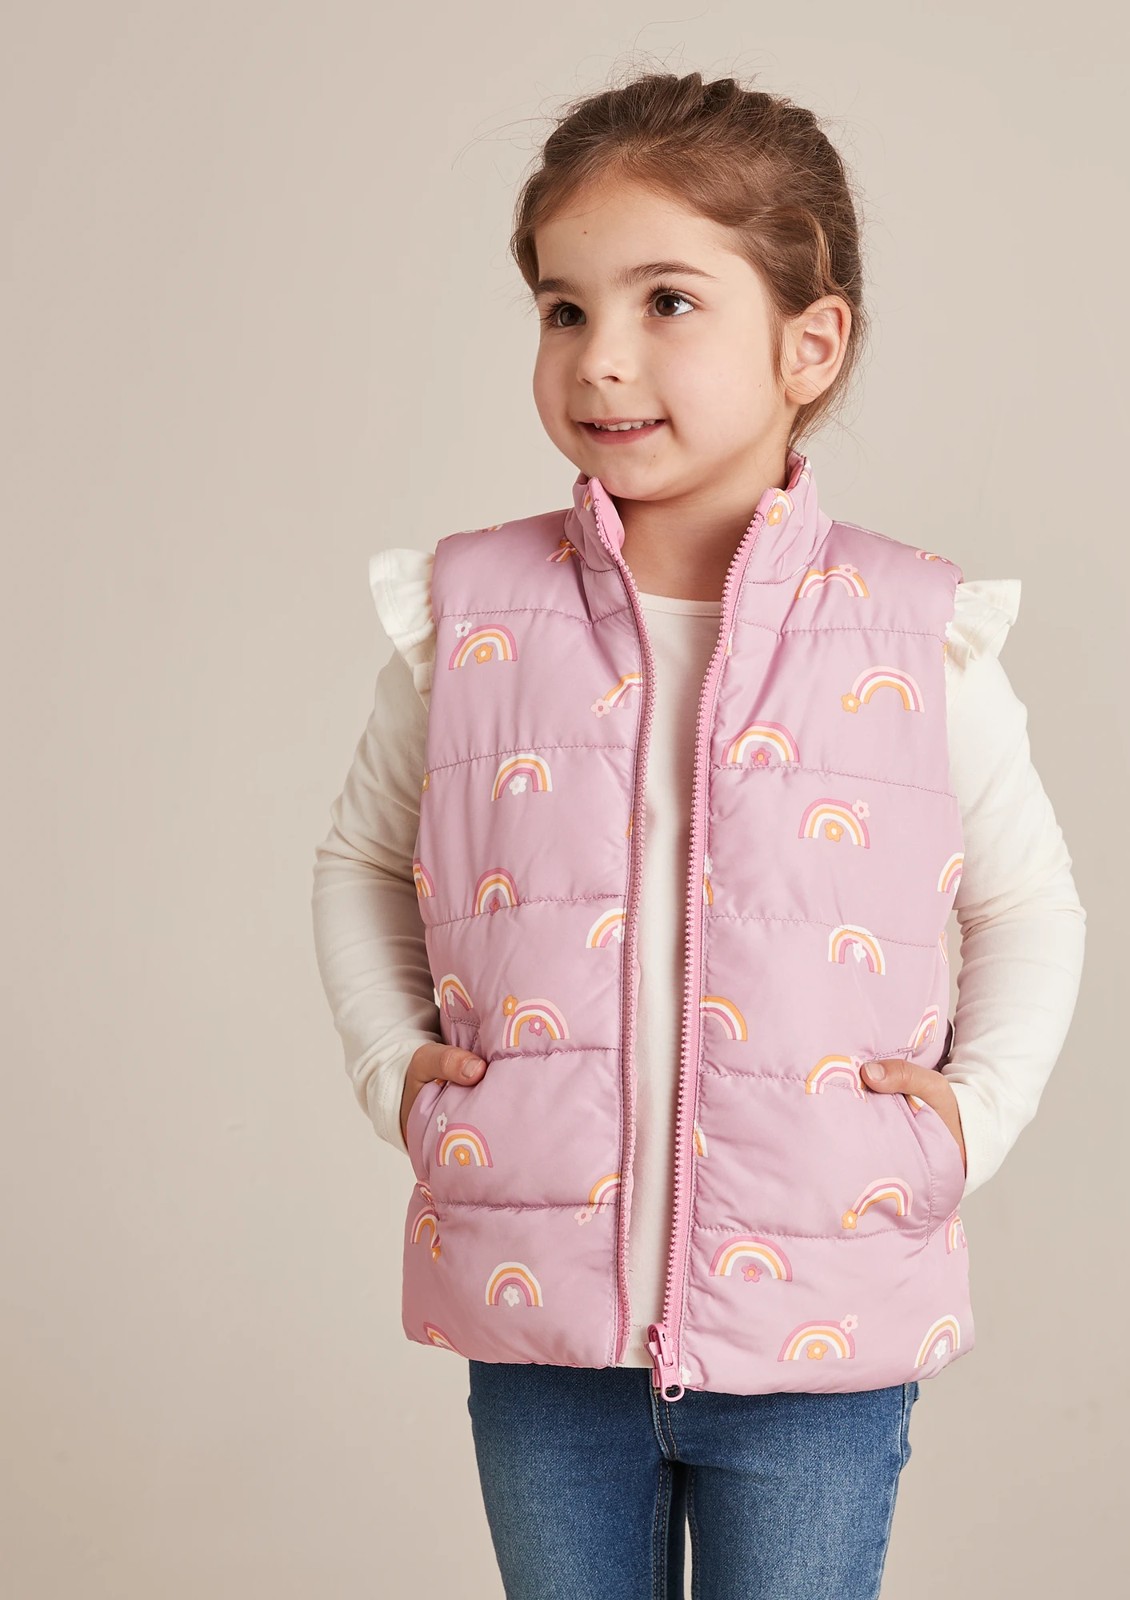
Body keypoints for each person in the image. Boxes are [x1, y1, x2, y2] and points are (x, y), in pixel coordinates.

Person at [311, 66, 1086, 1600]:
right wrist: (393, 1068)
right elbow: (360, 861)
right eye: (564, 308)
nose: (602, 357)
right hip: (543, 1314)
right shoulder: (474, 622)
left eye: (667, 302)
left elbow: (1030, 905)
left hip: (817, 1325)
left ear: (810, 343)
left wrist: (966, 1123)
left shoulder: (911, 641)